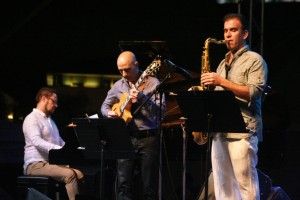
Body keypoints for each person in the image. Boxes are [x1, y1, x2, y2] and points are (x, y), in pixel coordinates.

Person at [200, 13, 268, 199]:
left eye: (233, 30)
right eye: (225, 31)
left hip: (242, 131)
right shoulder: (223, 63)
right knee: (223, 190)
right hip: (220, 131)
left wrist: (220, 81)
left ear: (244, 34)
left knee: (247, 190)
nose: (228, 35)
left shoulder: (255, 60)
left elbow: (254, 93)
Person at [101, 51, 165, 200]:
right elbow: (104, 107)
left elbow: (161, 112)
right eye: (120, 70)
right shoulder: (118, 85)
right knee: (123, 184)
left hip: (148, 139)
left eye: (127, 69)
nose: (123, 74)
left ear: (136, 65)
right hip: (125, 139)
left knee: (149, 186)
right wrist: (109, 113)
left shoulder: (153, 83)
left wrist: (143, 98)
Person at [22, 87, 84, 200]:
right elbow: (36, 141)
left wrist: (75, 148)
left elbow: (60, 142)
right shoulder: (31, 118)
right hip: (35, 164)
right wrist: (58, 150)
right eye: (54, 101)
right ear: (44, 99)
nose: (56, 105)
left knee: (80, 174)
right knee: (69, 174)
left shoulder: (50, 121)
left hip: (50, 162)